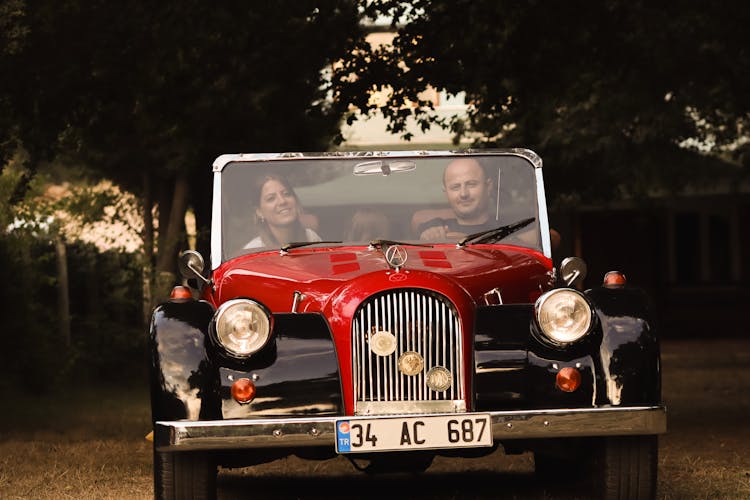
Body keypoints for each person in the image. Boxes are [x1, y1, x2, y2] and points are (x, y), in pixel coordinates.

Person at [418, 158, 498, 240]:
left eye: (471, 184)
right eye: (455, 187)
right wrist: (427, 238)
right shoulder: (434, 227)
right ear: (446, 193)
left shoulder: (506, 231)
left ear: (488, 186)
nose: (463, 194)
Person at [244, 173, 321, 248]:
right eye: (271, 198)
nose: (282, 201)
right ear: (259, 212)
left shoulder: (311, 238)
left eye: (286, 194)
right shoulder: (253, 251)